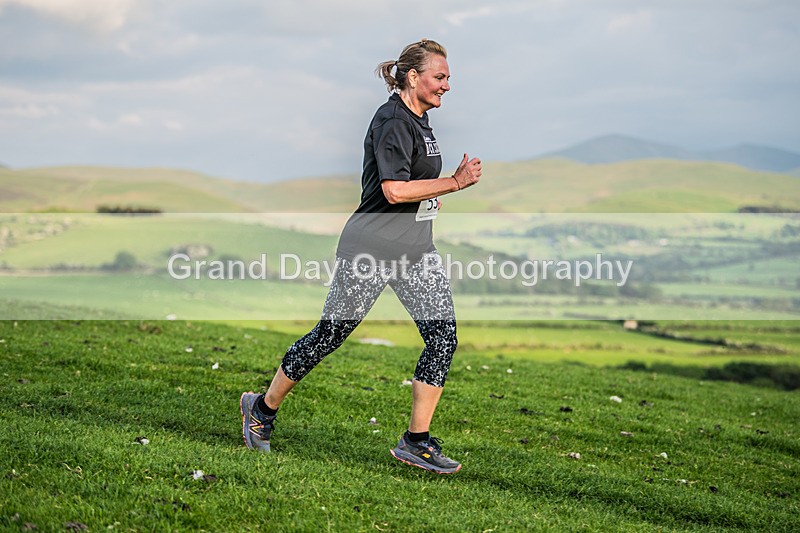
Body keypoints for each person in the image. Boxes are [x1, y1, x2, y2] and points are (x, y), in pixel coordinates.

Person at [240, 39, 481, 474]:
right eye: (440, 76)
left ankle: (416, 441)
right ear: (413, 77)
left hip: (414, 251)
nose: (447, 85)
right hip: (370, 249)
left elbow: (410, 186)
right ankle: (261, 409)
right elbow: (392, 189)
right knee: (330, 335)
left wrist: (430, 197)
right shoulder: (392, 119)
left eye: (448, 78)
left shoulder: (421, 120)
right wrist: (454, 183)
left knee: (443, 338)